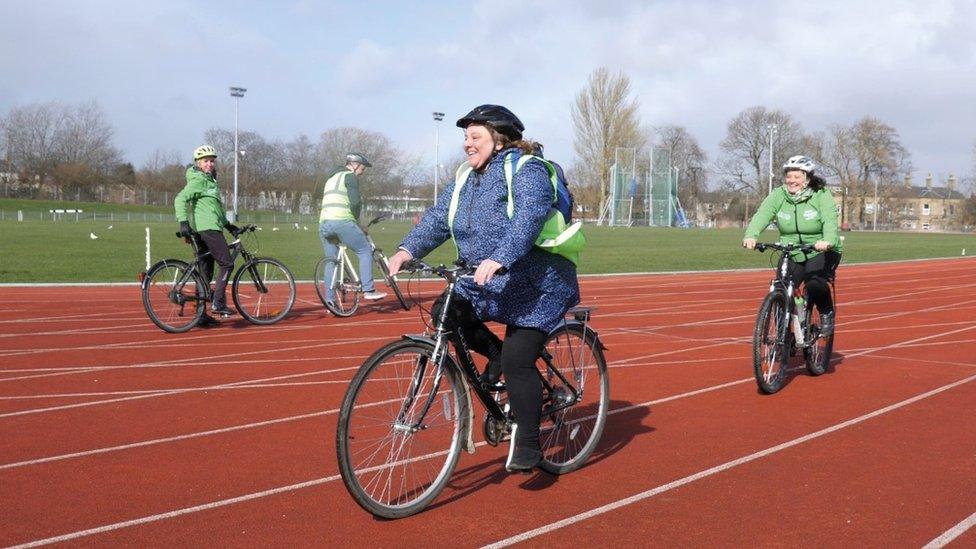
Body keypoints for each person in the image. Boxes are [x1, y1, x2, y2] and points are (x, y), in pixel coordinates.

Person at [387, 104, 580, 473]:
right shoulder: (465, 178)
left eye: (475, 136)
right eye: (465, 137)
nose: (467, 144)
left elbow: (530, 215)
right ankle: (496, 356)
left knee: (518, 359)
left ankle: (527, 444)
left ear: (498, 138)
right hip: (486, 279)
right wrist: (405, 250)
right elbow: (438, 219)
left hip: (536, 282)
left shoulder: (527, 169)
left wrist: (501, 257)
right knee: (448, 310)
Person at [743, 155, 842, 335]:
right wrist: (751, 235)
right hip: (792, 249)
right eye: (789, 176)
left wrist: (827, 240)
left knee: (814, 283)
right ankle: (783, 330)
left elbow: (829, 220)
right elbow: (762, 214)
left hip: (819, 249)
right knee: (781, 287)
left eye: (797, 176)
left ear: (807, 178)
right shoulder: (779, 195)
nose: (792, 180)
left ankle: (826, 312)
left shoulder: (821, 194)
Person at [174, 145, 241, 323]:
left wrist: (229, 226)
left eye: (212, 161)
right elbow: (180, 198)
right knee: (227, 264)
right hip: (208, 229)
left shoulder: (210, 181)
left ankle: (201, 316)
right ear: (198, 162)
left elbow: (215, 209)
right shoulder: (200, 180)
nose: (210, 164)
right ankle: (218, 303)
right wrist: (183, 221)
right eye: (206, 161)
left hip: (205, 229)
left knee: (205, 273)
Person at [318, 152, 387, 306]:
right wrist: (357, 223)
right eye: (362, 169)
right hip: (342, 222)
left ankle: (330, 299)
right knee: (365, 251)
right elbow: (355, 203)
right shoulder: (350, 176)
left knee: (332, 262)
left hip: (324, 224)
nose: (362, 173)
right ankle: (369, 290)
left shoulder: (331, 178)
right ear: (355, 165)